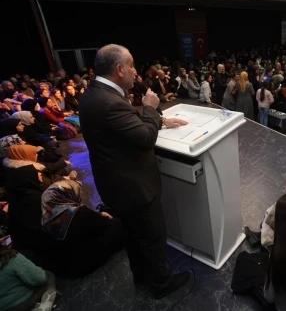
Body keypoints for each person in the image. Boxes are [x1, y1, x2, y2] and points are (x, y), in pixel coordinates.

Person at [79, 44, 190, 299]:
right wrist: (150, 107)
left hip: (113, 185)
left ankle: (141, 275)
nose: (134, 71)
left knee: (132, 235)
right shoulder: (110, 101)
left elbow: (120, 128)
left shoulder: (93, 94)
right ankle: (161, 284)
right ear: (119, 69)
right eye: (131, 65)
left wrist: (160, 120)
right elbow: (145, 138)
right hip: (134, 187)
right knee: (152, 235)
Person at [40, 180, 124, 278]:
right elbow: (104, 224)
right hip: (86, 260)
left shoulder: (46, 219)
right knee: (122, 223)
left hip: (69, 265)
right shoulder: (77, 214)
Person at [0, 243, 57, 311]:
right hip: (22, 303)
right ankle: (46, 302)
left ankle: (37, 306)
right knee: (48, 276)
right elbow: (39, 279)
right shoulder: (11, 258)